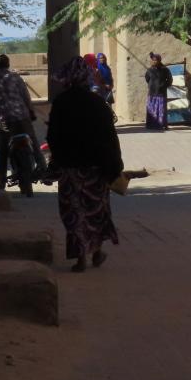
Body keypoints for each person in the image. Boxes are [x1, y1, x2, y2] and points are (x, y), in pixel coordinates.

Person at [46, 56, 124, 272]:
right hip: (96, 169)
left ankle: (80, 258)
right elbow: (110, 136)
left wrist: (56, 160)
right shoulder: (98, 103)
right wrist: (115, 165)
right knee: (95, 211)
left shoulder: (61, 102)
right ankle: (97, 252)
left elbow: (53, 136)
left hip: (70, 168)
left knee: (74, 212)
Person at [0, 54, 46, 191]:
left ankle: (1, 184)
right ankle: (44, 171)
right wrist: (31, 111)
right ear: (8, 65)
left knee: (3, 151)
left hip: (4, 119)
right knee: (33, 143)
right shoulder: (15, 77)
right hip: (21, 116)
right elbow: (25, 96)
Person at [144, 53, 173, 130]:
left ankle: (162, 124)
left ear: (159, 60)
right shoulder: (150, 70)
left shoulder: (165, 70)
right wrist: (152, 85)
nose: (154, 62)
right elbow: (147, 79)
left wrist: (163, 85)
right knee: (151, 108)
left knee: (161, 109)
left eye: (156, 60)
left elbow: (170, 80)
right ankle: (151, 125)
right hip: (152, 92)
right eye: (153, 60)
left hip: (161, 92)